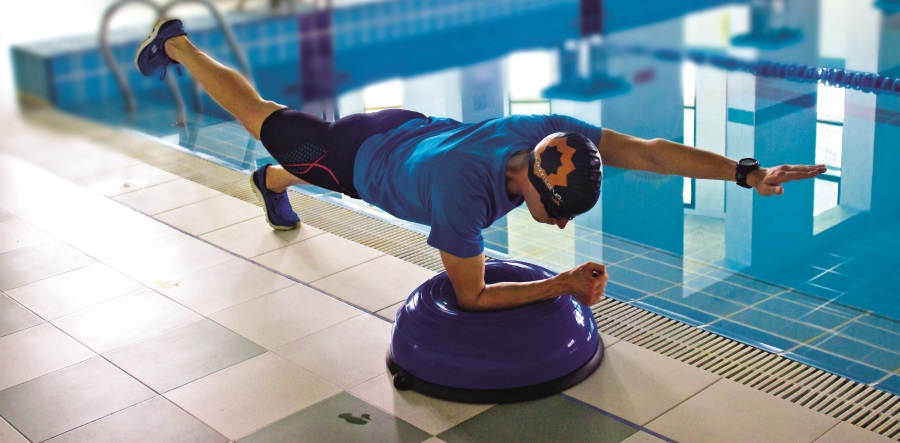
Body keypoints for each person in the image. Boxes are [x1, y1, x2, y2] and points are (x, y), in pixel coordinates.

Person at [135, 18, 826, 312]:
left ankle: (273, 183)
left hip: (406, 126)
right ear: (541, 196)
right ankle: (183, 48)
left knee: (293, 163)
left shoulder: (549, 132)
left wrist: (745, 172)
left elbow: (648, 152)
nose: (553, 223)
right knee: (259, 115)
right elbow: (468, 297)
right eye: (553, 210)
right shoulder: (460, 200)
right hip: (360, 156)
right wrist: (558, 286)